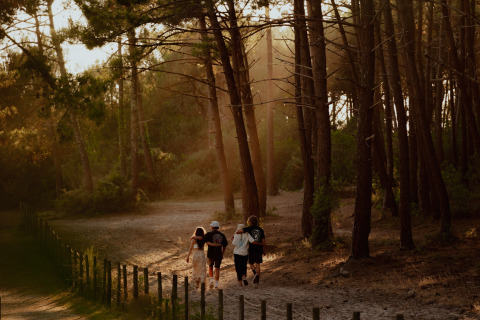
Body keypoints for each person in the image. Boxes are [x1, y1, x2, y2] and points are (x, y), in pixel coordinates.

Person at [237, 215, 266, 284]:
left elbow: (239, 231)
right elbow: (264, 242)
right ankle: (257, 280)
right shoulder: (261, 230)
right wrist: (264, 250)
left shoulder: (248, 228)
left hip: (251, 249)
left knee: (251, 263)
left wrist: (236, 233)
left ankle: (255, 274)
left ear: (249, 222)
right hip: (259, 249)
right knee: (258, 264)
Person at [199, 221, 228, 289]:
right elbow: (225, 245)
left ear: (211, 227)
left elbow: (202, 238)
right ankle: (216, 284)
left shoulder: (209, 234)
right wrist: (222, 253)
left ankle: (211, 281)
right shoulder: (222, 235)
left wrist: (194, 237)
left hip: (211, 253)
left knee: (210, 267)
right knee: (217, 269)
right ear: (218, 227)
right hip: (219, 254)